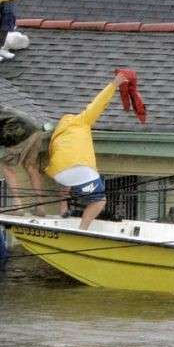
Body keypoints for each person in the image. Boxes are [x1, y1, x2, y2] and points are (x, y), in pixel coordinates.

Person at [44, 71, 131, 230]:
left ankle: (63, 208)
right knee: (99, 200)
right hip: (79, 169)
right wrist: (114, 84)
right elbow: (98, 103)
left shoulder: (58, 133)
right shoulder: (82, 121)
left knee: (68, 181)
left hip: (59, 173)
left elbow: (57, 158)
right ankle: (83, 229)